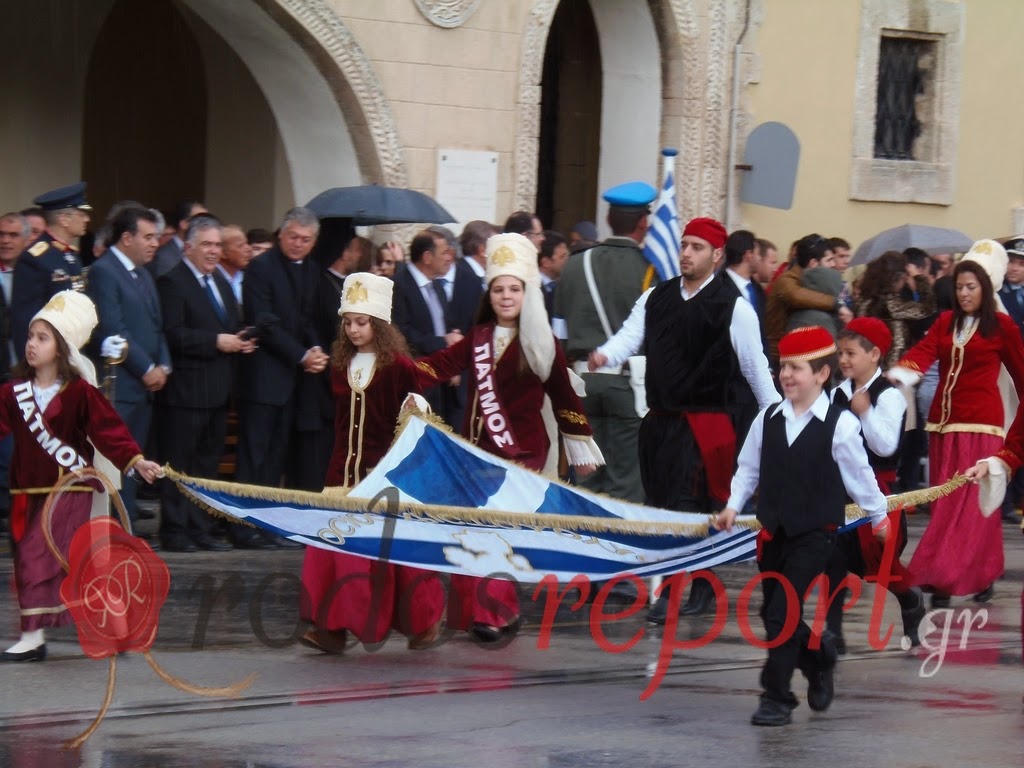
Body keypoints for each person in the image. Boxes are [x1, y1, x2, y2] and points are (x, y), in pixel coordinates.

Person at [414, 233, 604, 643]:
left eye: (513, 289)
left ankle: (492, 614)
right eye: (498, 289)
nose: (505, 297)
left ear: (526, 293)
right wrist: (399, 373)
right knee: (472, 530)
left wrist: (579, 445)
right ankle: (484, 614)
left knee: (497, 533)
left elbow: (564, 394)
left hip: (522, 453)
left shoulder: (541, 342)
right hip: (475, 453)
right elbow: (439, 365)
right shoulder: (479, 337)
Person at [591, 218, 779, 621]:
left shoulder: (734, 308)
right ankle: (703, 586)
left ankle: (675, 595)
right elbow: (629, 336)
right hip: (658, 422)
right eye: (684, 245)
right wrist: (607, 354)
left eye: (696, 246)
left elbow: (755, 368)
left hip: (704, 425)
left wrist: (779, 418)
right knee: (664, 506)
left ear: (717, 255)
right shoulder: (656, 297)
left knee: (685, 506)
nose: (687, 253)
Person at [714, 326, 890, 726]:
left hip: (815, 535)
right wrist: (731, 506)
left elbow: (860, 476)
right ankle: (818, 659)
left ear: (822, 374)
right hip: (773, 533)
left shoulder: (841, 425)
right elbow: (748, 470)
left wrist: (878, 518)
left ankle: (776, 697)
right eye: (782, 368)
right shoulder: (768, 418)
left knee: (782, 612)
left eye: (796, 368)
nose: (786, 376)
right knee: (773, 613)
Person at [0, 291, 161, 662]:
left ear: (62, 347)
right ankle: (115, 624)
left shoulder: (79, 393)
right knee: (75, 563)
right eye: (30, 337)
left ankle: (32, 637)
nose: (32, 345)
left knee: (35, 554)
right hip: (28, 491)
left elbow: (109, 430)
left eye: (43, 338)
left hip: (70, 490)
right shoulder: (13, 392)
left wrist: (135, 461)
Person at [300, 272, 445, 653]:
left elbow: (419, 410)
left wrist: (416, 409)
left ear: (379, 324)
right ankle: (330, 627)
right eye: (347, 322)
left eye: (361, 322)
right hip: (341, 474)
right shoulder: (338, 365)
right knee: (331, 548)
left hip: (384, 476)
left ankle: (422, 623)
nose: (353, 330)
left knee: (393, 555)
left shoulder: (399, 366)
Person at [888, 244, 1024, 606]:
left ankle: (944, 576)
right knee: (949, 505)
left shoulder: (1003, 327)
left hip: (981, 428)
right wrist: (900, 375)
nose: (964, 293)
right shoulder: (946, 322)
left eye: (971, 287)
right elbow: (924, 352)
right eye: (960, 286)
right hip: (942, 428)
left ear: (986, 288)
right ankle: (979, 571)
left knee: (968, 506)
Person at [554, 181, 657, 504]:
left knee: (585, 482)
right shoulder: (651, 270)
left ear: (609, 220)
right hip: (630, 386)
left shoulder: (573, 264)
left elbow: (559, 333)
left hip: (581, 383)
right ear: (643, 223)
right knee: (625, 485)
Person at [827, 318, 924, 651]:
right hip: (839, 486)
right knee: (832, 555)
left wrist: (865, 414)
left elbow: (885, 446)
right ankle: (833, 630)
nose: (843, 360)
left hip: (877, 489)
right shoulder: (837, 392)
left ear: (874, 354)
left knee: (877, 564)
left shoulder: (890, 395)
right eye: (841, 352)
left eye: (851, 353)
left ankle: (909, 598)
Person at [157, 216, 253, 552]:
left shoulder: (221, 283)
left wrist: (241, 340)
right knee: (180, 465)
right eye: (207, 245)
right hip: (186, 392)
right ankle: (175, 531)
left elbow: (231, 324)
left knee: (207, 466)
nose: (214, 252)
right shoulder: (172, 282)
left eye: (217, 245)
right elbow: (173, 333)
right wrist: (216, 341)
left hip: (218, 391)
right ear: (189, 247)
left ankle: (200, 529)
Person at [84, 205, 169, 529]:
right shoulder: (104, 271)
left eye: (156, 237)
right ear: (126, 237)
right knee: (115, 462)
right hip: (120, 383)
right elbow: (113, 327)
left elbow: (156, 325)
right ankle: (113, 528)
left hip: (144, 386)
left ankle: (127, 526)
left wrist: (163, 365)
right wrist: (146, 367)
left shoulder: (143, 273)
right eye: (147, 237)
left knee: (134, 460)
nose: (154, 244)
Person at [10, 183, 91, 354]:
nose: (87, 219)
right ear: (64, 219)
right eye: (81, 214)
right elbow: (25, 320)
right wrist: (31, 368)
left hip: (71, 352)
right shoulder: (35, 258)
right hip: (47, 358)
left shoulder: (71, 255)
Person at [764, 234, 839, 366]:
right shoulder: (787, 280)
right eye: (829, 260)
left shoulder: (811, 281)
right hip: (777, 357)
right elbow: (795, 295)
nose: (834, 264)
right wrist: (835, 303)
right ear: (814, 263)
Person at [856, 251, 935, 367]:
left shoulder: (863, 301)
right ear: (896, 278)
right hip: (889, 364)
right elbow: (926, 309)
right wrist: (919, 278)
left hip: (867, 361)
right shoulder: (890, 304)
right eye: (904, 278)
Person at [148, 200, 207, 280]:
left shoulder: (205, 252)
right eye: (200, 221)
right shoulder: (164, 257)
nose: (207, 226)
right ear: (184, 224)